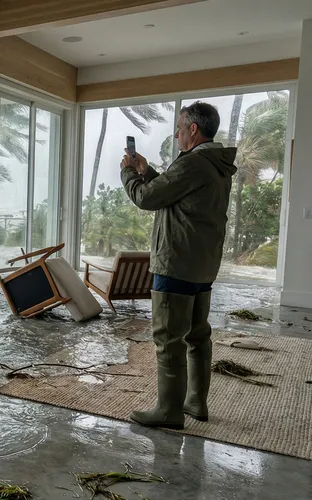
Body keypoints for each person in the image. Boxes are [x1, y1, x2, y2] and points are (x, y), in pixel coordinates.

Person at [119, 101, 237, 429]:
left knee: (168, 337)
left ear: (193, 129)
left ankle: (168, 410)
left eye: (179, 128)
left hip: (176, 261)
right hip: (202, 264)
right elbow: (177, 195)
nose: (176, 134)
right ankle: (195, 401)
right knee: (197, 335)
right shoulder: (216, 164)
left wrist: (128, 172)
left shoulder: (193, 163)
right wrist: (147, 172)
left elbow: (147, 198)